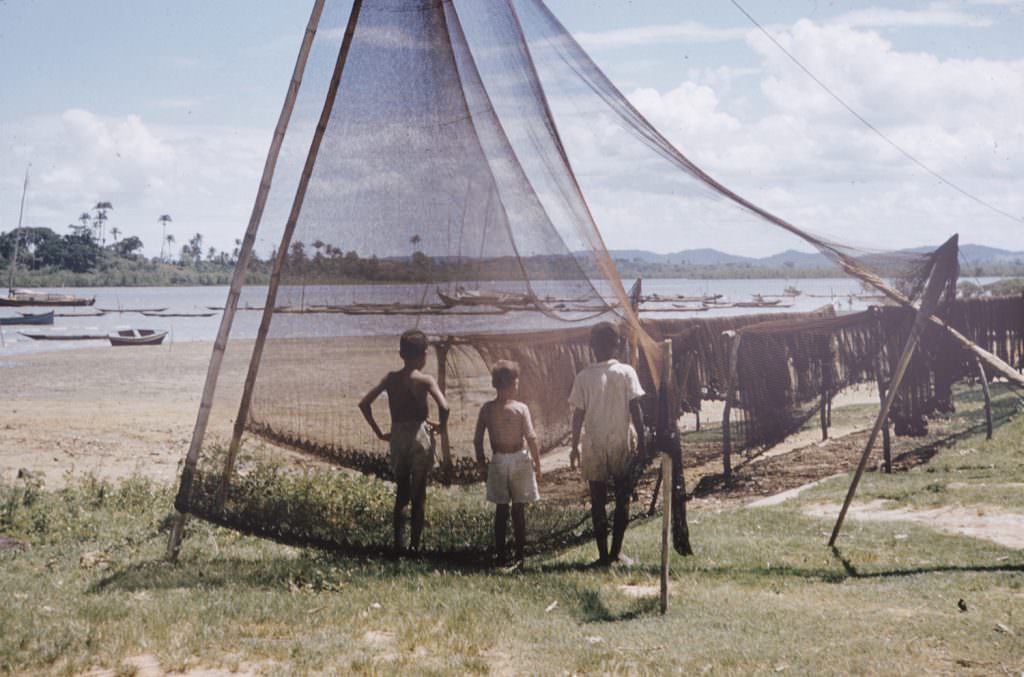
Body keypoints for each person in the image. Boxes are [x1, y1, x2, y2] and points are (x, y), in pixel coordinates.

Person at [359, 329, 449, 555]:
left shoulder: (391, 378)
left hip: (398, 436)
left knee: (402, 494)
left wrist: (380, 432)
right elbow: (445, 407)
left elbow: (364, 404)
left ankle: (398, 545)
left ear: (401, 354)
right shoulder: (425, 380)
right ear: (424, 355)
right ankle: (414, 547)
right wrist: (440, 426)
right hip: (420, 434)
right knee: (419, 496)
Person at [569, 322, 646, 567]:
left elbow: (577, 416)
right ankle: (616, 553)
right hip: (620, 441)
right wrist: (643, 442)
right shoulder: (626, 372)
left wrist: (574, 446)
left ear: (593, 347)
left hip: (594, 444)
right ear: (618, 345)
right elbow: (636, 409)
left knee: (598, 501)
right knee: (623, 498)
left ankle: (604, 555)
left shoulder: (584, 377)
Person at [474, 360, 541, 568]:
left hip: (499, 459)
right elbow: (531, 437)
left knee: (501, 509)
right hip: (518, 458)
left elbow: (477, 440)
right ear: (512, 383)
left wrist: (482, 463)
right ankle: (519, 555)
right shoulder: (521, 408)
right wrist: (537, 463)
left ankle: (502, 554)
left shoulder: (487, 409)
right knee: (518, 509)